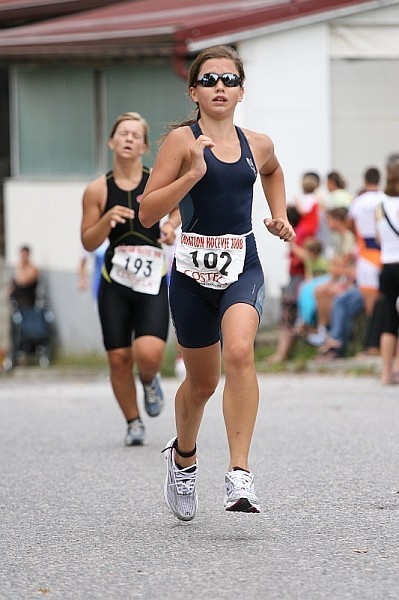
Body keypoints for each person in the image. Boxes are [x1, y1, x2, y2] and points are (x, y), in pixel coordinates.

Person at [139, 45, 295, 519]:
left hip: (241, 264)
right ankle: (183, 458)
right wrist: (192, 175)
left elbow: (271, 170)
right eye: (209, 80)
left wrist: (279, 214)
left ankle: (239, 473)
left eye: (228, 80)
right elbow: (148, 211)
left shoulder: (258, 142)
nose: (219, 87)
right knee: (202, 383)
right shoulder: (182, 143)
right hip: (190, 275)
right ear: (194, 91)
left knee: (242, 351)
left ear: (241, 90)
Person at [80, 111, 180, 446]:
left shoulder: (157, 181)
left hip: (153, 281)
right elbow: (88, 241)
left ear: (145, 146)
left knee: (148, 354)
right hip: (116, 283)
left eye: (135, 135)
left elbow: (181, 207)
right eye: (122, 133)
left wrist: (170, 226)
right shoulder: (97, 189)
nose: (128, 139)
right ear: (111, 141)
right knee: (119, 357)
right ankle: (133, 421)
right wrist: (106, 218)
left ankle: (149, 379)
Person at [375, 153, 399, 384]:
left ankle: (385, 373)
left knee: (389, 317)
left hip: (387, 265)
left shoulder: (380, 205)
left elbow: (379, 238)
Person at [8, 245, 39, 309]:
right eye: (21, 255)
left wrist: (21, 268)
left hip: (27, 300)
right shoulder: (19, 267)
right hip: (17, 300)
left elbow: (23, 281)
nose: (22, 257)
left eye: (24, 255)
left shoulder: (32, 268)